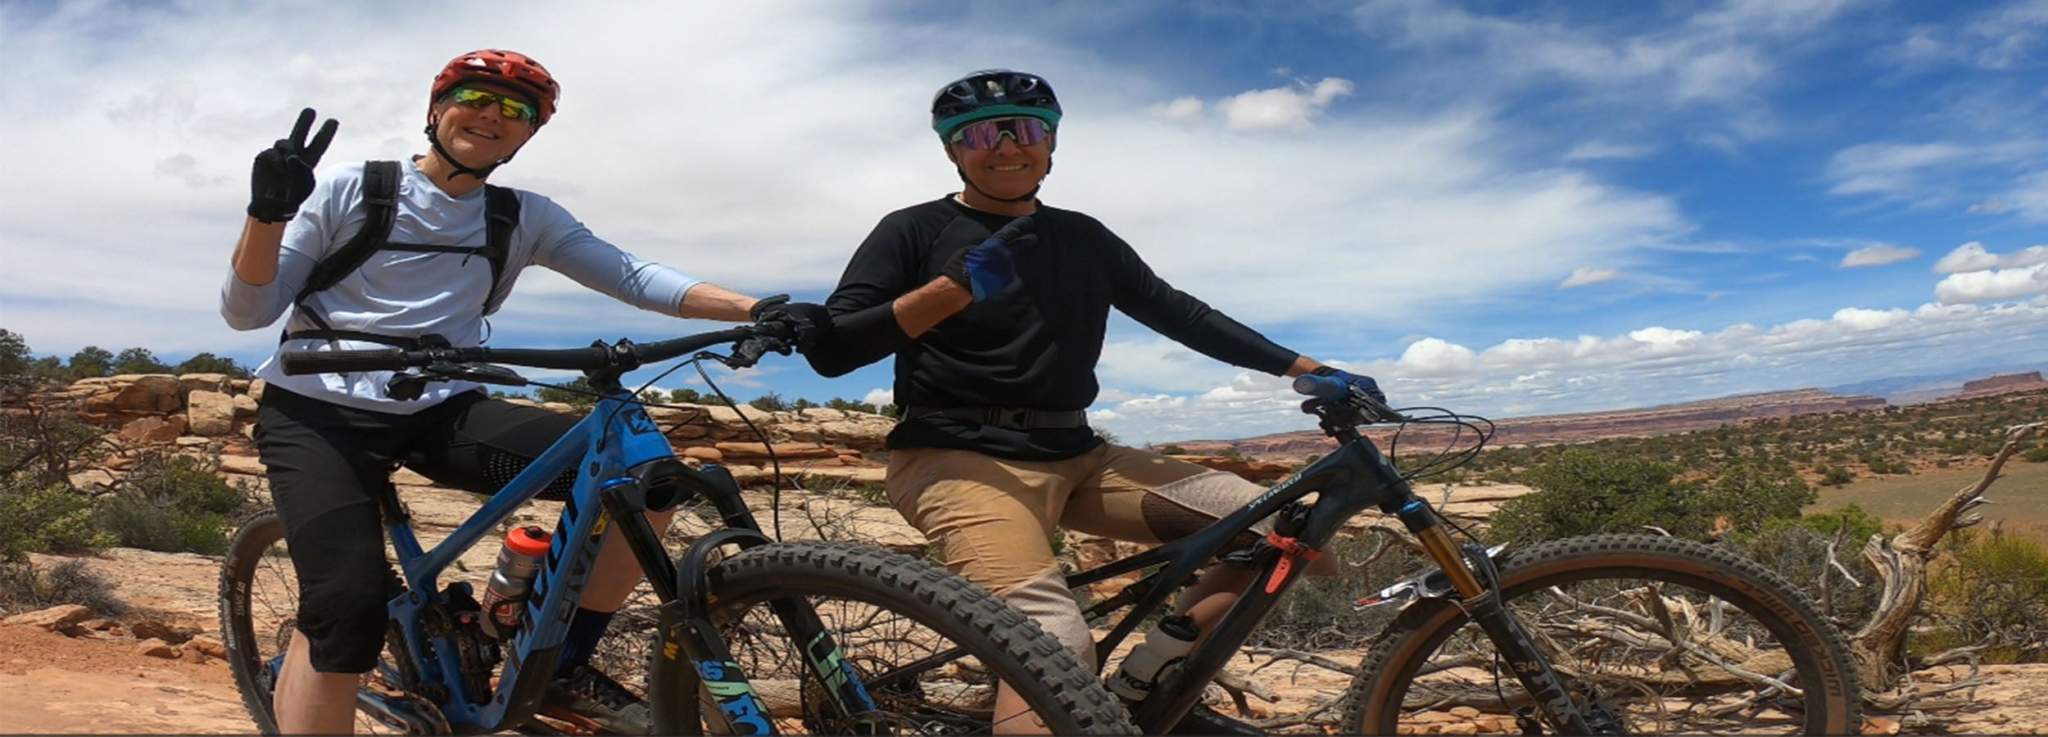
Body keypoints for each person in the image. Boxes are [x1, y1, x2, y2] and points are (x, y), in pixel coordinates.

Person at [220, 49, 825, 735]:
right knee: (344, 612)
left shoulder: (520, 216)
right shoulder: (353, 189)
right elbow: (248, 311)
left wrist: (755, 309)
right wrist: (266, 214)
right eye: (476, 97)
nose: (493, 116)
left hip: (440, 408)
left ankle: (556, 660)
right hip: (317, 411)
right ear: (435, 110)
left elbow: (631, 274)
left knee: (649, 478)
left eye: (516, 110)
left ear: (528, 135)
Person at [800, 69, 1382, 734]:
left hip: (1077, 453)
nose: (1007, 145)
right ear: (952, 150)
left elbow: (1180, 313)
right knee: (1053, 641)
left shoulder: (1083, 236)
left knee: (1287, 536)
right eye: (982, 133)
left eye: (1027, 128)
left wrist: (1311, 369)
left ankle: (1144, 677)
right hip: (955, 457)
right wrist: (949, 290)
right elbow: (834, 349)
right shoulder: (913, 229)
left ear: (1051, 144)